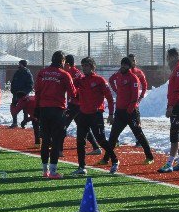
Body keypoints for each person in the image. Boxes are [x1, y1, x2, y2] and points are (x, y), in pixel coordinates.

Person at [100, 57, 154, 165]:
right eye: (122, 64)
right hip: (120, 112)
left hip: (131, 112)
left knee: (139, 134)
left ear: (129, 66)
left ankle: (150, 157)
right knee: (113, 136)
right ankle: (106, 159)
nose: (123, 67)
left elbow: (134, 97)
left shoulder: (133, 78)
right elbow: (111, 80)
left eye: (125, 65)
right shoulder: (119, 74)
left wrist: (129, 110)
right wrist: (116, 91)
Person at [70, 57, 119, 175]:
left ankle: (115, 160)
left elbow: (110, 99)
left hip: (96, 115)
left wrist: (111, 114)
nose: (84, 68)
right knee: (80, 141)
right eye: (83, 66)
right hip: (83, 114)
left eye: (86, 65)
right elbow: (70, 86)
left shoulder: (100, 80)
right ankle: (82, 167)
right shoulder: (80, 80)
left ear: (92, 67)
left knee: (101, 139)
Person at [34, 50, 77, 179]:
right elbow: (73, 93)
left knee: (45, 140)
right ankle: (53, 172)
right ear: (62, 61)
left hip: (44, 110)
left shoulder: (42, 73)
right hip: (58, 110)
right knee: (56, 141)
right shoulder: (64, 74)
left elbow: (37, 91)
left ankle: (44, 171)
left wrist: (37, 107)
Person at [158, 47, 179, 173]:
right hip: (177, 105)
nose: (167, 60)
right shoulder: (177, 69)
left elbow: (177, 90)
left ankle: (170, 163)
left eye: (168, 58)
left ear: (172, 57)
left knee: (174, 134)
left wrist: (170, 106)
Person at [63, 54, 101, 155]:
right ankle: (96, 147)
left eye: (63, 62)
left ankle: (59, 150)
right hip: (76, 103)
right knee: (81, 125)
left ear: (67, 64)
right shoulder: (70, 72)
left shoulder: (74, 73)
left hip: (76, 104)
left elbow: (77, 89)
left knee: (63, 124)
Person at [9, 59, 34, 128]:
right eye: (19, 64)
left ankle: (24, 122)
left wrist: (24, 93)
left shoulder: (28, 73)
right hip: (16, 94)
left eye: (20, 64)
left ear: (23, 65)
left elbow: (30, 85)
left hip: (23, 95)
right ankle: (14, 122)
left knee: (25, 109)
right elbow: (13, 82)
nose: (19, 65)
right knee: (14, 106)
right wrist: (13, 90)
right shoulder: (17, 72)